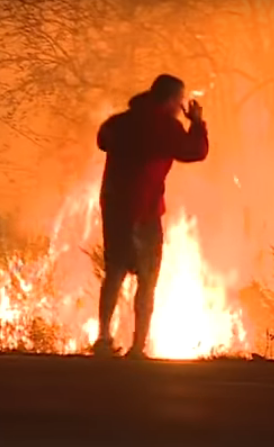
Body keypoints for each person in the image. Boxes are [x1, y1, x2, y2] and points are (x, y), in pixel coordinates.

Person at [92, 74, 209, 359]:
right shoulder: (165, 127)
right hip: (144, 211)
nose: (180, 105)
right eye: (179, 101)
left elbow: (102, 140)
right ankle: (137, 347)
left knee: (115, 272)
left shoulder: (119, 122)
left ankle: (104, 339)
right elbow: (195, 152)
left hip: (115, 208)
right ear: (171, 100)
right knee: (147, 279)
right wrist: (196, 122)